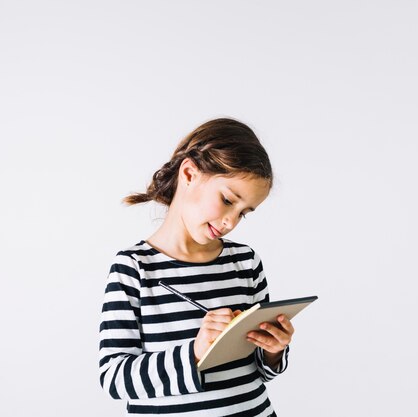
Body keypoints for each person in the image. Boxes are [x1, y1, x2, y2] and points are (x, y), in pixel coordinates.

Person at [98, 117, 295, 416]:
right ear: (189, 173)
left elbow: (262, 371)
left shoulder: (245, 262)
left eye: (244, 213)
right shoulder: (134, 268)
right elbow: (115, 379)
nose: (231, 222)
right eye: (228, 200)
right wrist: (194, 353)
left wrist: (273, 351)